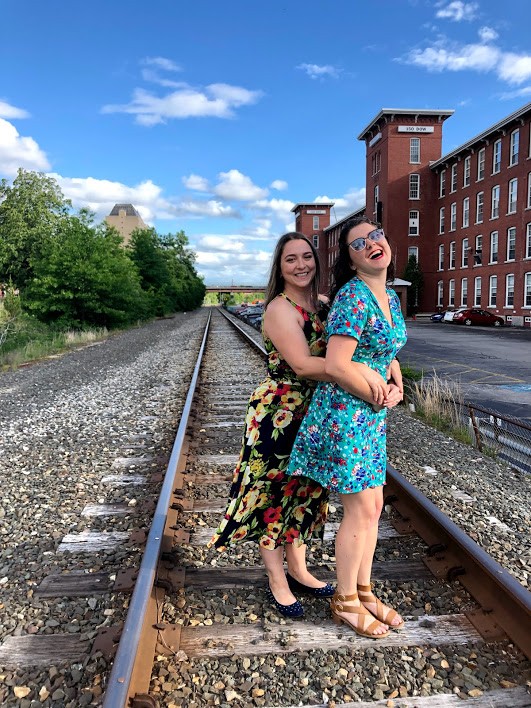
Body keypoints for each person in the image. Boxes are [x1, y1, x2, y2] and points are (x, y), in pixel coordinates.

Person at [286, 216, 407, 638]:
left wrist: (396, 383)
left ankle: (364, 591)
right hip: (344, 414)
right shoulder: (353, 297)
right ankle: (345, 600)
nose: (372, 244)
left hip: (370, 415)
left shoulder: (389, 297)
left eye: (376, 235)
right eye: (359, 244)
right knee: (360, 509)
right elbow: (337, 365)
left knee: (374, 507)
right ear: (351, 261)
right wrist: (374, 393)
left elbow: (385, 349)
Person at [208, 232, 335, 618]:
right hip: (279, 414)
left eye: (307, 257)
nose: (301, 265)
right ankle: (277, 579)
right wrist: (357, 371)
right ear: (279, 268)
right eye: (291, 259)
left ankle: (299, 569)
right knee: (274, 495)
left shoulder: (323, 304)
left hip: (315, 412)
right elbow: (303, 365)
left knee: (305, 491)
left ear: (316, 261)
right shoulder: (280, 309)